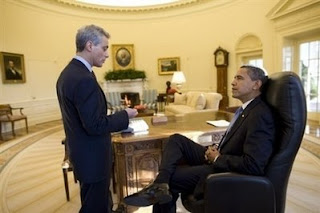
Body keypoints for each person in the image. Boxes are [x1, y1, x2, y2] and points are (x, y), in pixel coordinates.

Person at [124, 65, 275, 213]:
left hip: (224, 169)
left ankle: (161, 185)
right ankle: (160, 184)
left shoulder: (260, 115)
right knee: (176, 140)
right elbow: (235, 142)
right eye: (235, 77)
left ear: (256, 84)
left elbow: (254, 165)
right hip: (219, 155)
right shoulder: (246, 109)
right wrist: (216, 148)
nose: (233, 82)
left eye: (239, 78)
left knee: (172, 177)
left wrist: (217, 158)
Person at [56, 24, 138, 213]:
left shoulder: (68, 73)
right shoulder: (83, 78)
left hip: (83, 154)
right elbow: (95, 125)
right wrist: (125, 115)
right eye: (104, 48)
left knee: (97, 203)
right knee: (95, 207)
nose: (107, 54)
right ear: (90, 45)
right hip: (92, 158)